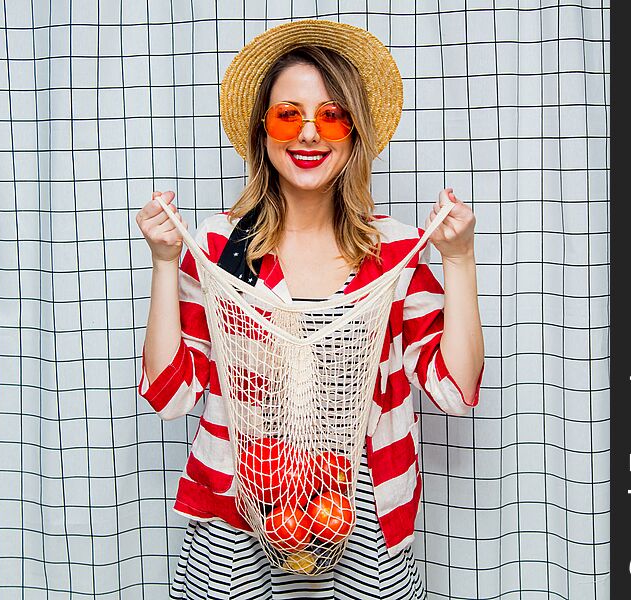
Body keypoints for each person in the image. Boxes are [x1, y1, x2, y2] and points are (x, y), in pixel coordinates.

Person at [135, 19, 484, 600]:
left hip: (363, 515)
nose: (309, 134)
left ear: (354, 132)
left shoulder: (393, 252)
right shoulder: (222, 248)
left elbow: (454, 390)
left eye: (331, 115)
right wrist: (166, 264)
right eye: (287, 114)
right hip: (234, 520)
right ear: (262, 131)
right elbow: (170, 397)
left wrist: (461, 259)